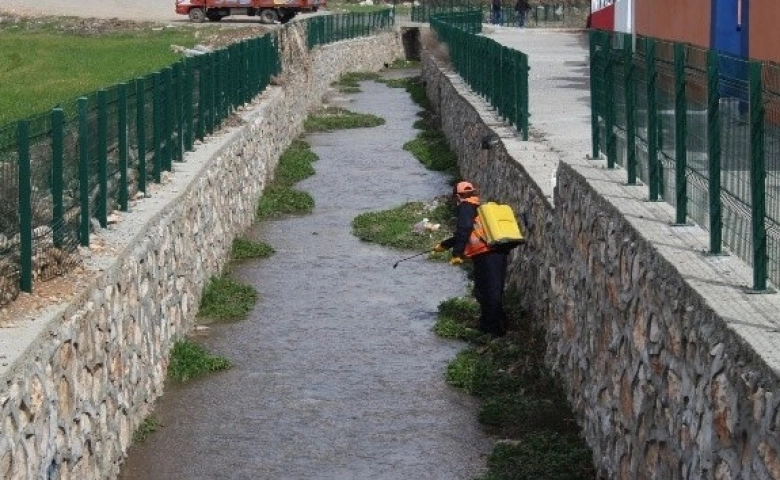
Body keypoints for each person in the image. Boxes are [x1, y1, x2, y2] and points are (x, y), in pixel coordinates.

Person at [433, 181, 509, 337]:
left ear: (457, 196)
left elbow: (465, 229)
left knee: (487, 292)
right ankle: (498, 325)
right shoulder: (478, 206)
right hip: (495, 253)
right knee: (492, 290)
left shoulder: (466, 207)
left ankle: (491, 330)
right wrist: (445, 244)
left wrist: (456, 254)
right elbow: (471, 231)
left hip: (486, 254)